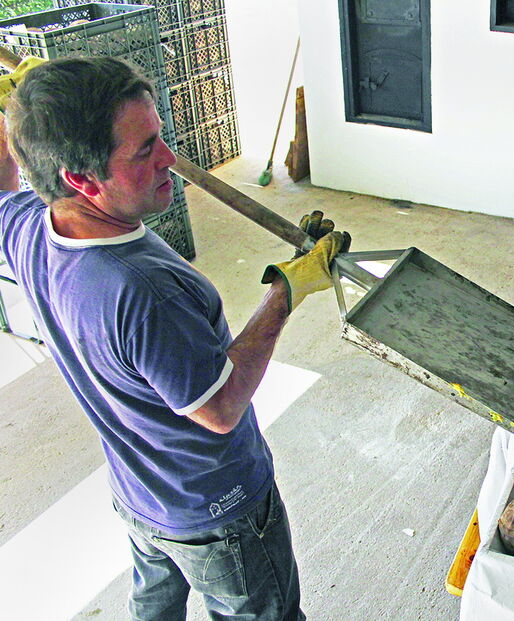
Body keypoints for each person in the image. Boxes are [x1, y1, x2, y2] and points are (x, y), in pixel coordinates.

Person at [0, 56, 343, 620]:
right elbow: (221, 406)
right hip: (215, 512)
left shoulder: (32, 231)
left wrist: (24, 109)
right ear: (82, 180)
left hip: (142, 495)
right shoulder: (142, 292)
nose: (170, 159)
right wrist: (287, 290)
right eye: (144, 151)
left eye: (159, 137)